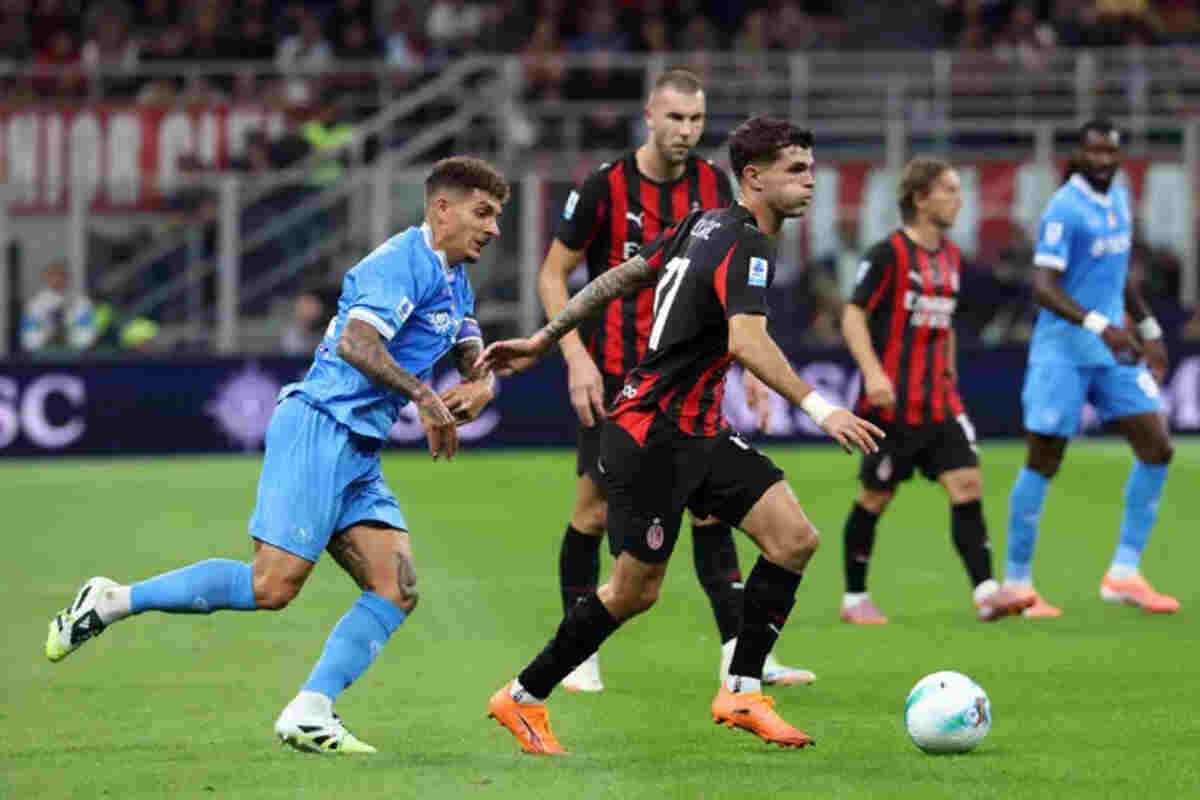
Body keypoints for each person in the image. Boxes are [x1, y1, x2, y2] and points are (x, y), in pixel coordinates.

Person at [45, 156, 509, 753]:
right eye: (483, 213)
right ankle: (111, 601)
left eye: (497, 216)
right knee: (272, 587)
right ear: (441, 209)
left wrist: (482, 383)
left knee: (396, 587)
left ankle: (310, 711)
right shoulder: (399, 262)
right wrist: (425, 397)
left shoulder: (453, 276)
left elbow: (468, 340)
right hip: (321, 426)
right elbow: (357, 342)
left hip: (359, 447)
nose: (494, 228)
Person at [481, 117, 883, 754]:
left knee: (793, 539)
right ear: (754, 178)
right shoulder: (746, 243)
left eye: (810, 168)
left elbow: (619, 275)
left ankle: (741, 691)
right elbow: (746, 341)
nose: (810, 181)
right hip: (654, 437)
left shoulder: (701, 223)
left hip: (698, 432)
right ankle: (523, 697)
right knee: (632, 593)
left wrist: (543, 337)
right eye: (795, 170)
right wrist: (820, 407)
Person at [541, 67, 813, 693]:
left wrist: (750, 370)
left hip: (692, 376)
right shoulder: (604, 186)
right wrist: (574, 356)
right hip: (618, 377)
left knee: (714, 512)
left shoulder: (717, 184)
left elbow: (736, 284)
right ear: (649, 117)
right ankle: (578, 653)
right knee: (592, 511)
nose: (686, 131)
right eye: (675, 118)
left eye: (696, 120)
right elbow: (554, 273)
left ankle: (739, 655)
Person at [837, 158, 1036, 625]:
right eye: (949, 190)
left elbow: (943, 327)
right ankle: (854, 598)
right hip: (893, 406)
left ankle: (986, 593)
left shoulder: (951, 258)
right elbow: (852, 315)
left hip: (939, 403)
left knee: (967, 483)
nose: (958, 199)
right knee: (875, 496)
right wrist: (873, 375)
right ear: (920, 198)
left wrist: (949, 378)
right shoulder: (887, 255)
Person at [1003, 120, 1179, 616]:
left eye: (1111, 153)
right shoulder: (1064, 208)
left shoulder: (1118, 199)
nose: (1103, 160)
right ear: (1079, 154)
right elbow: (1043, 287)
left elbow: (1119, 275)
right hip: (1063, 350)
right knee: (1044, 459)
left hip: (1111, 350)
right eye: (1095, 152)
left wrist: (1150, 330)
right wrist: (1102, 325)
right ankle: (1017, 584)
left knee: (1157, 448)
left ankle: (1123, 573)